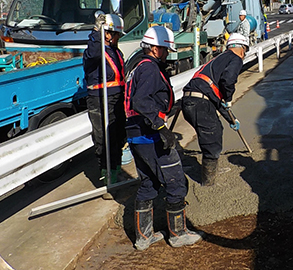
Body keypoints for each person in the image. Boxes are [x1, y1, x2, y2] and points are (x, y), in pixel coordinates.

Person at [124, 25, 203, 250]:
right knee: (176, 180)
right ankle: (178, 234)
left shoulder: (137, 65)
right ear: (156, 49)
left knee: (148, 182)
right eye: (166, 50)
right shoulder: (149, 68)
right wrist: (160, 126)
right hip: (149, 135)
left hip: (136, 134)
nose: (168, 54)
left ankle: (144, 237)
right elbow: (141, 101)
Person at [181, 33, 249, 186]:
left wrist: (231, 118)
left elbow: (216, 97)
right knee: (212, 137)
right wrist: (230, 97)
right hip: (199, 102)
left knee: (214, 129)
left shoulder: (218, 60)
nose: (244, 55)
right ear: (241, 48)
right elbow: (228, 80)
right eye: (245, 51)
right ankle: (208, 182)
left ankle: (210, 169)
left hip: (190, 101)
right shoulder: (235, 58)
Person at [83, 13, 126, 184]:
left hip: (116, 98)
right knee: (104, 139)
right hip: (100, 100)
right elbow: (93, 53)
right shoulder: (95, 52)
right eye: (116, 34)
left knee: (118, 136)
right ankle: (106, 175)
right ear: (107, 34)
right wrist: (96, 31)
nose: (118, 38)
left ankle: (116, 170)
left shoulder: (115, 51)